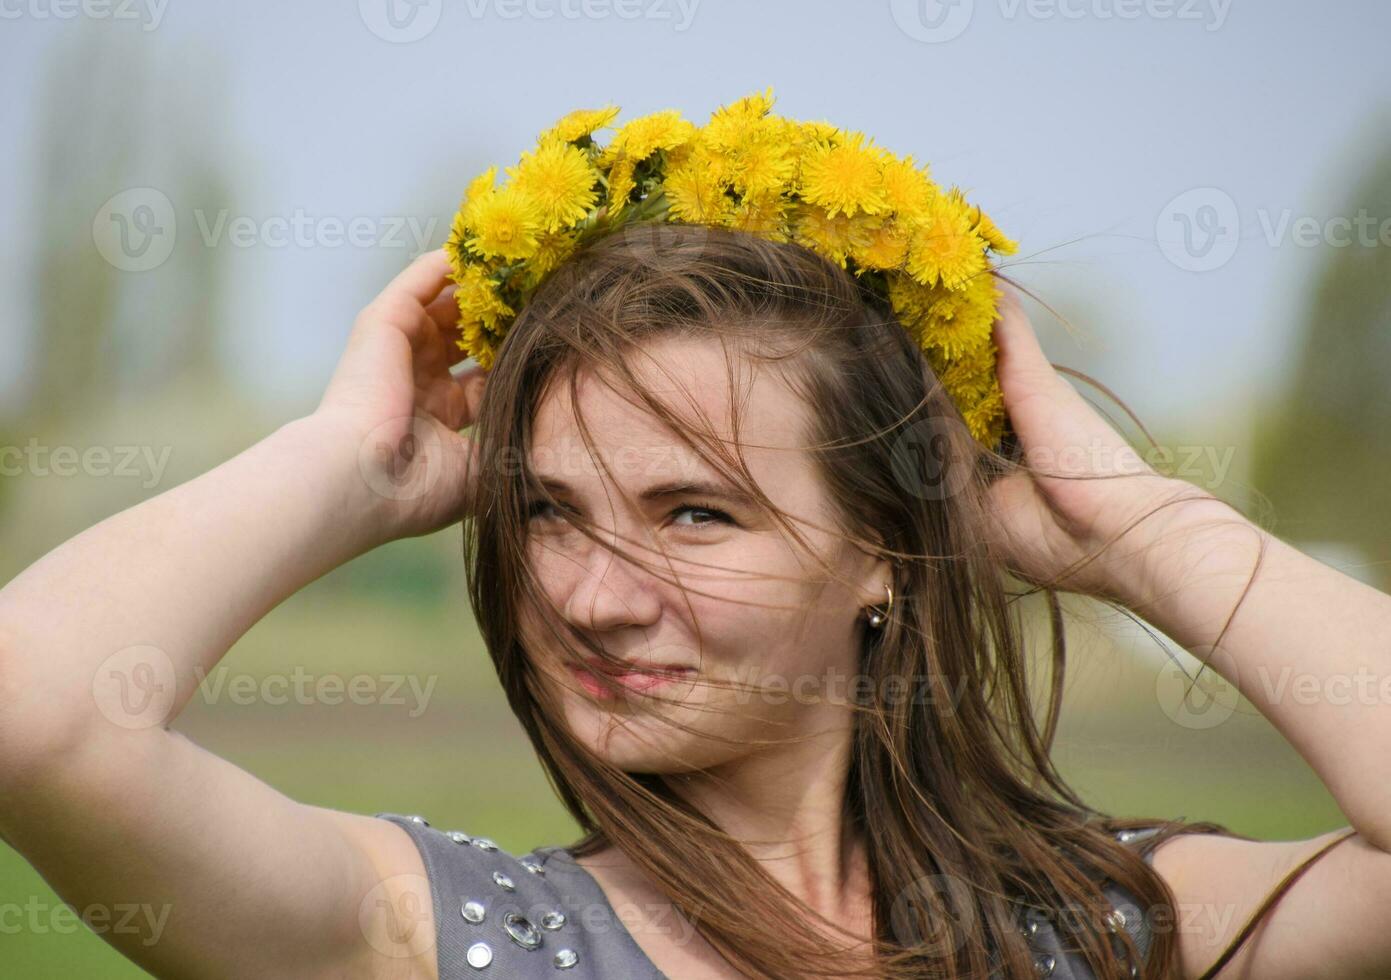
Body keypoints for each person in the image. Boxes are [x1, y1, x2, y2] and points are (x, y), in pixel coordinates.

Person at [0, 224, 1386, 980]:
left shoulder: (1120, 929)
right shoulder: (424, 937)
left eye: (696, 513)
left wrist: (1132, 527)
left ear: (886, 553)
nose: (594, 598)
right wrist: (351, 462)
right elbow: (38, 710)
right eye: (548, 510)